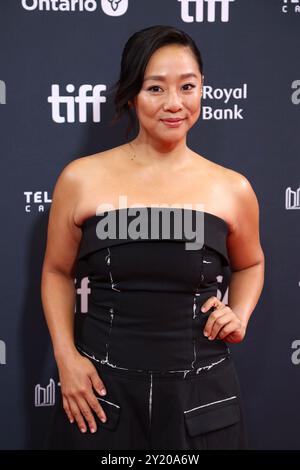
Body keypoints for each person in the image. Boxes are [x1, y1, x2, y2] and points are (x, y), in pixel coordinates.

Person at [41, 25, 265, 450]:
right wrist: (66, 358)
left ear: (203, 91)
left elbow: (251, 262)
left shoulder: (232, 188)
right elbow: (55, 271)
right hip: (102, 397)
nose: (174, 104)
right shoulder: (81, 178)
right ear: (131, 94)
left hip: (202, 398)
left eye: (187, 87)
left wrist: (241, 313)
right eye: (155, 88)